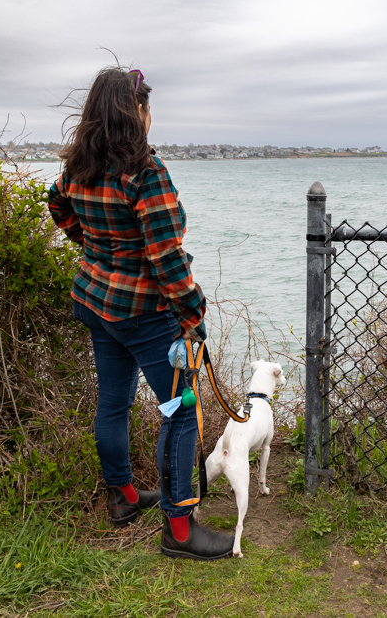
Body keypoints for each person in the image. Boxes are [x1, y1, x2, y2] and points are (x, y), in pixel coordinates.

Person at [46, 67, 234, 560]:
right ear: (139, 114)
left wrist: (95, 250)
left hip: (95, 302)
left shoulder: (76, 167)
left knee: (113, 402)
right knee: (180, 411)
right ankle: (178, 528)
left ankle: (123, 498)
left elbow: (58, 205)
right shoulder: (145, 173)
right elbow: (167, 258)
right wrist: (193, 315)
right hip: (145, 314)